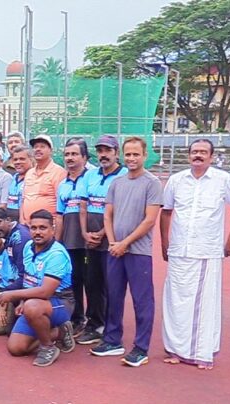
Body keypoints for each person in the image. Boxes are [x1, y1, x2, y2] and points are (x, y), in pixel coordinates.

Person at [159, 139, 230, 369]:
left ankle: (201, 353)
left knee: (204, 305)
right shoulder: (176, 180)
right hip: (179, 249)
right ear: (189, 155)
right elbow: (166, 212)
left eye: (203, 152)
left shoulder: (223, 180)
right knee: (175, 302)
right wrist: (165, 242)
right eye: (194, 151)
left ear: (211, 156)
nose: (198, 155)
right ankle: (175, 350)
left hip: (207, 250)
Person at [90, 137, 162, 368]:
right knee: (114, 296)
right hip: (115, 251)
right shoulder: (117, 183)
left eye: (136, 154)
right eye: (128, 154)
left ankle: (141, 348)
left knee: (142, 300)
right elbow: (108, 215)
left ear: (145, 155)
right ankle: (112, 340)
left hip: (138, 252)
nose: (131, 158)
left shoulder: (152, 183)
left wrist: (125, 243)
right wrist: (113, 242)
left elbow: (149, 220)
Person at [0, 210, 76, 367]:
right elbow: (28, 279)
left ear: (52, 229)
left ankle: (48, 347)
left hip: (60, 301)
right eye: (34, 228)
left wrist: (11, 295)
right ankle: (60, 332)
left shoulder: (57, 254)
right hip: (36, 301)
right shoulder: (28, 247)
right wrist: (22, 301)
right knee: (16, 348)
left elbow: (45, 292)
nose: (37, 232)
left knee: (32, 307)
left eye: (43, 228)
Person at [76, 135, 128, 346]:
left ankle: (111, 327)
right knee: (92, 283)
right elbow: (83, 206)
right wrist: (85, 233)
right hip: (90, 240)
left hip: (112, 240)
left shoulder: (124, 175)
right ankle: (94, 324)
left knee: (111, 285)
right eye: (100, 151)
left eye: (108, 150)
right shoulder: (90, 175)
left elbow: (120, 211)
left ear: (117, 153)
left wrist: (103, 234)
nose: (103, 155)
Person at [56, 139, 91, 331]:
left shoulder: (92, 178)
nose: (70, 158)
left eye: (74, 154)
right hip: (70, 241)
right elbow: (59, 216)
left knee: (92, 282)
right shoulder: (63, 184)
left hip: (90, 241)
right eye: (67, 154)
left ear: (84, 158)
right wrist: (57, 242)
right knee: (74, 280)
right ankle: (78, 318)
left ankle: (96, 322)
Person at [21, 134, 67, 223]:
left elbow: (61, 203)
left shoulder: (59, 173)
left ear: (51, 151)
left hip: (48, 226)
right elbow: (23, 200)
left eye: (42, 146)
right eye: (35, 147)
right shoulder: (29, 173)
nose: (38, 149)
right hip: (26, 225)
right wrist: (22, 220)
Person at [6, 145, 30, 221]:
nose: (18, 162)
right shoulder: (13, 177)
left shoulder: (34, 178)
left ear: (31, 159)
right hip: (10, 219)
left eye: (22, 159)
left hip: (25, 219)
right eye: (15, 159)